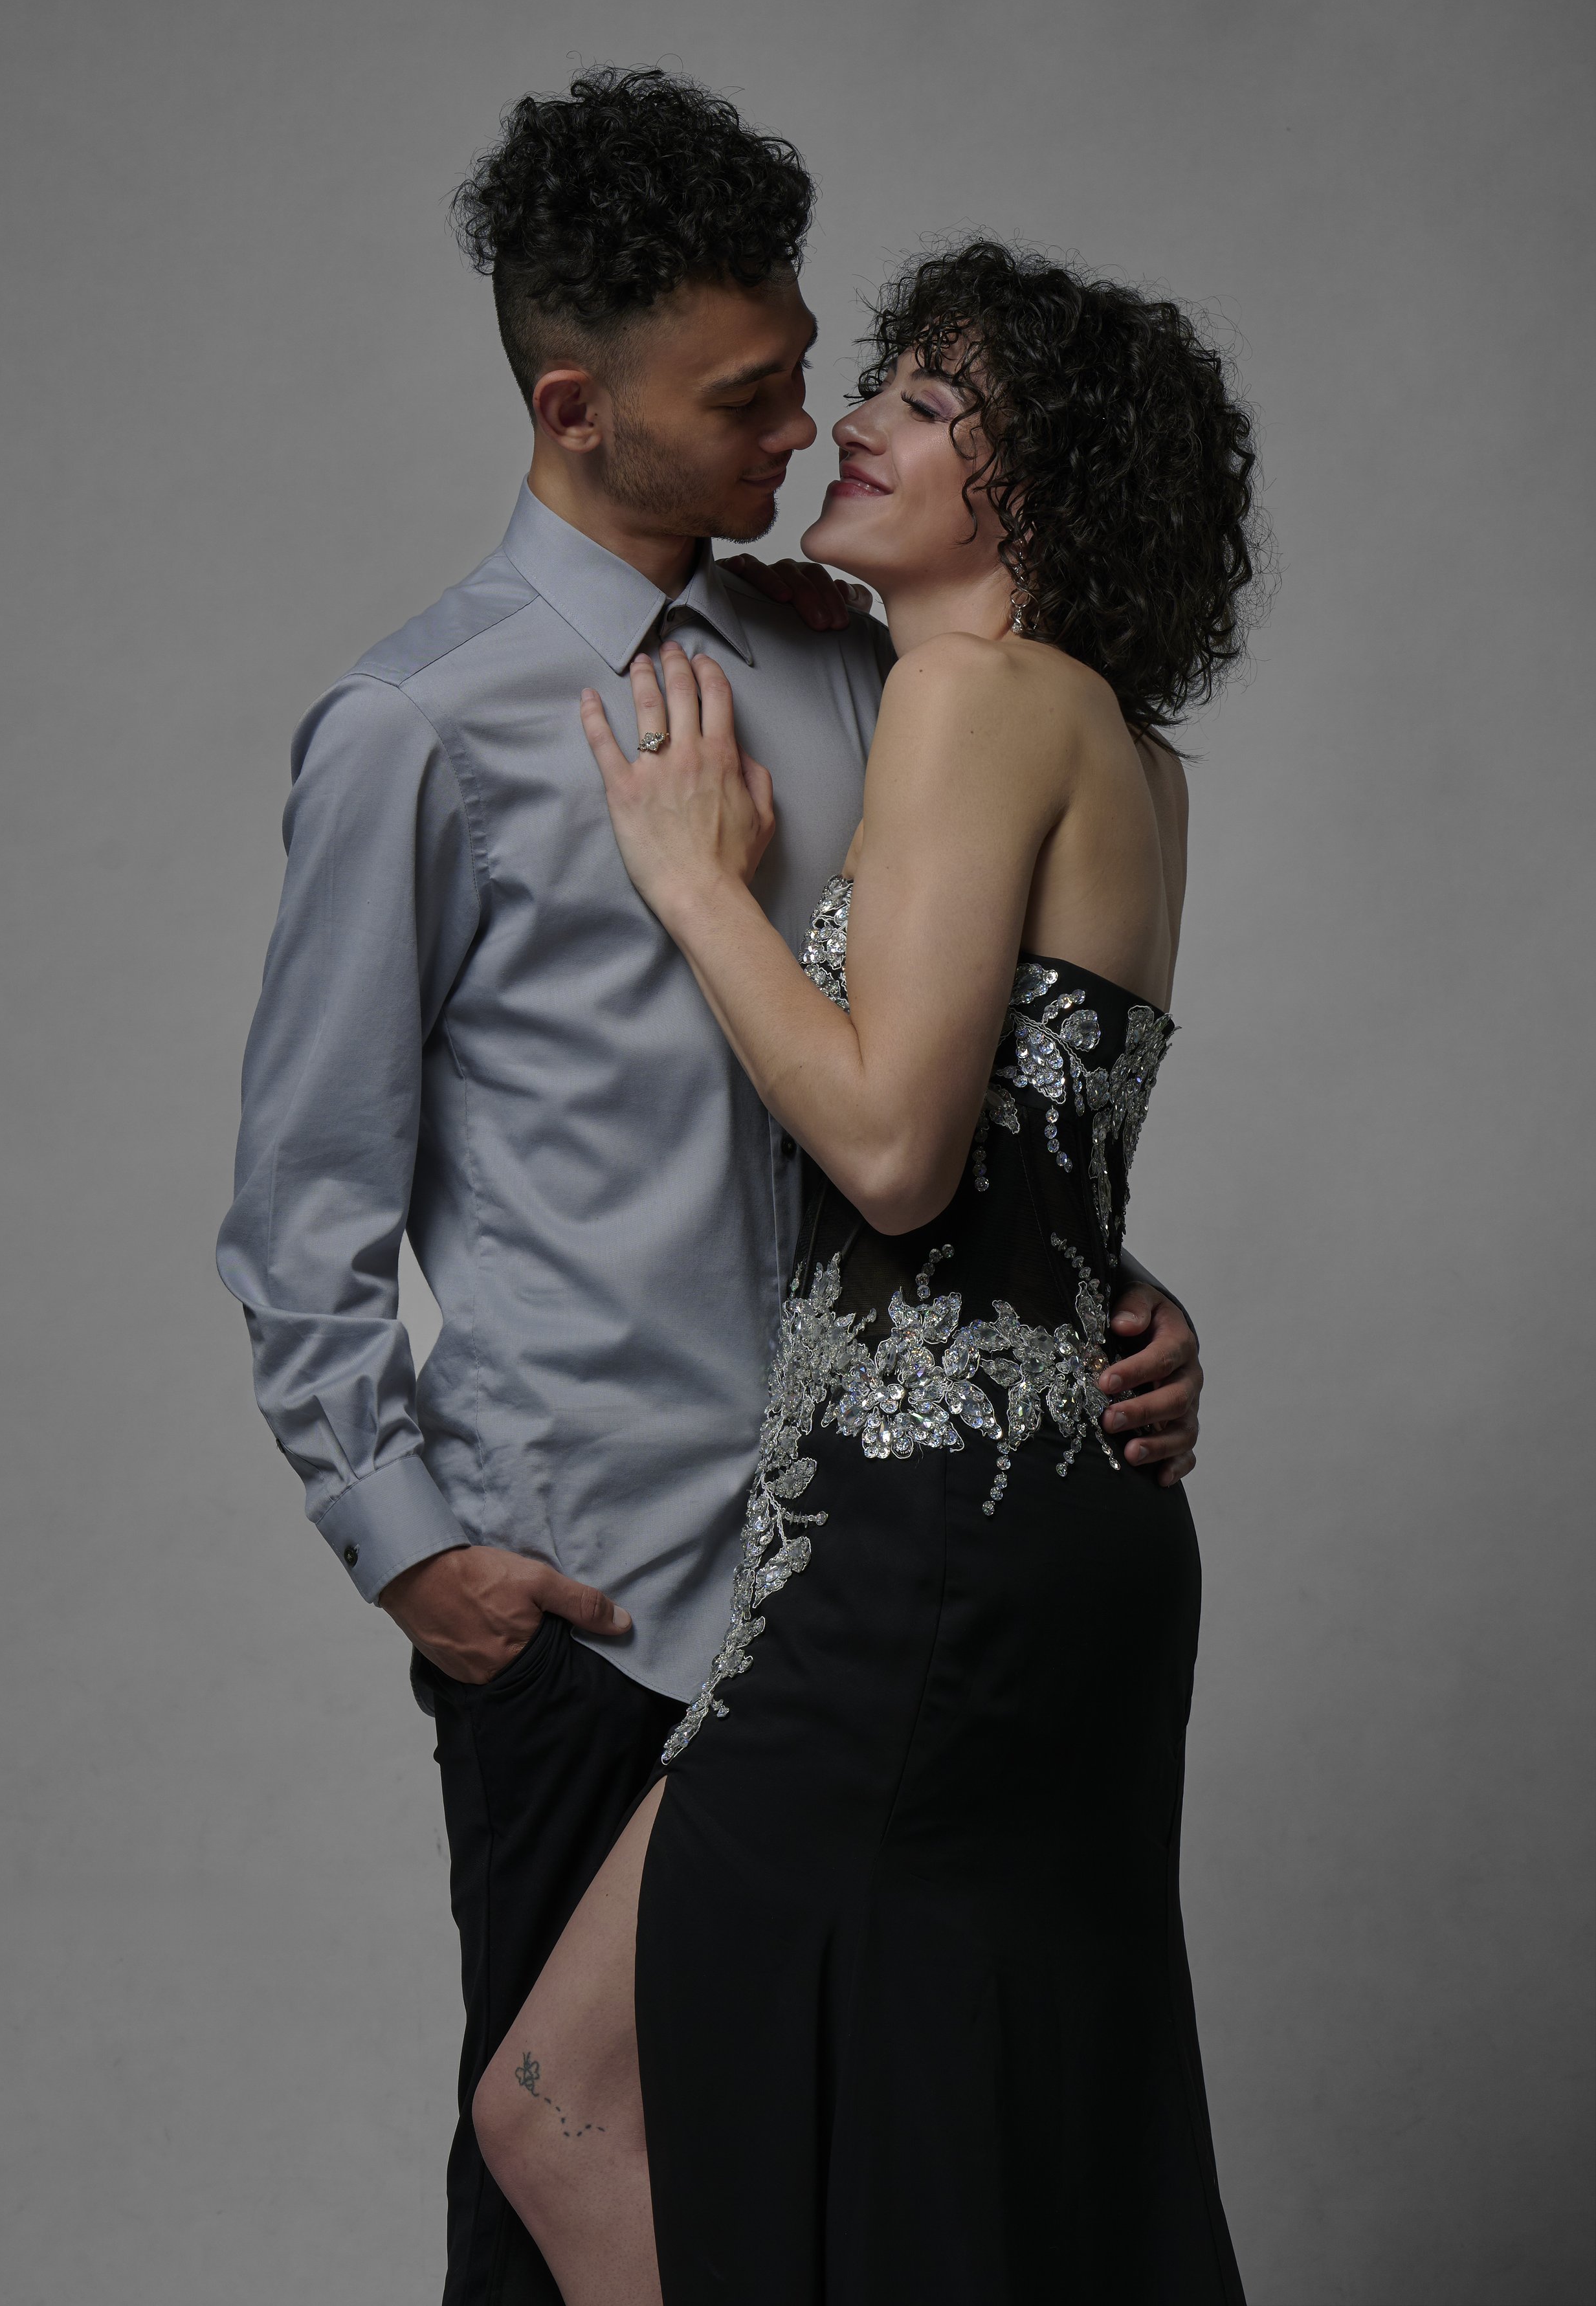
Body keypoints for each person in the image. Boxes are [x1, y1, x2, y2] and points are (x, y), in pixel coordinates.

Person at [217, 72, 1206, 2306]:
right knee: (561, 2197)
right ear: (577, 410)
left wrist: (1109, 1306)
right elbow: (302, 1203)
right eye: (749, 395)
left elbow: (952, 1088)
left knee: (856, 2198)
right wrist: (409, 1553)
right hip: (605, 1596)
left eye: (810, 370)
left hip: (872, 1590)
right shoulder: (419, 731)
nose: (801, 428)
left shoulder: (858, 655)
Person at [469, 241, 1260, 2305]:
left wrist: (687, 883)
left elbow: (904, 1159)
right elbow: (1034, 1169)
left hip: (924, 1549)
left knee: (571, 2105)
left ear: (1040, 486)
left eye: (926, 402)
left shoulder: (977, 698)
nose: (856, 423)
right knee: (939, 2152)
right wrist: (1135, 1306)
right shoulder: (1119, 746)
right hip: (1032, 1533)